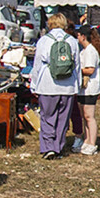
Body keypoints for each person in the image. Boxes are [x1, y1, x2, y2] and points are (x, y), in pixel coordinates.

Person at [29, 13, 81, 159]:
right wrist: (77, 84)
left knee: (47, 116)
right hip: (68, 85)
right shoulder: (71, 41)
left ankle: (48, 146)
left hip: (47, 84)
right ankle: (58, 146)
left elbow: (37, 65)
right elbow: (77, 65)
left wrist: (34, 84)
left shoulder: (44, 41)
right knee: (63, 118)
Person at [75, 25, 100, 154]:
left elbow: (90, 70)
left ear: (83, 36)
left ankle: (92, 142)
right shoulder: (84, 51)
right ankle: (86, 140)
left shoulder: (91, 51)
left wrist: (76, 71)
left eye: (78, 35)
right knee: (83, 116)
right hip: (82, 88)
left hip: (90, 88)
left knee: (89, 116)